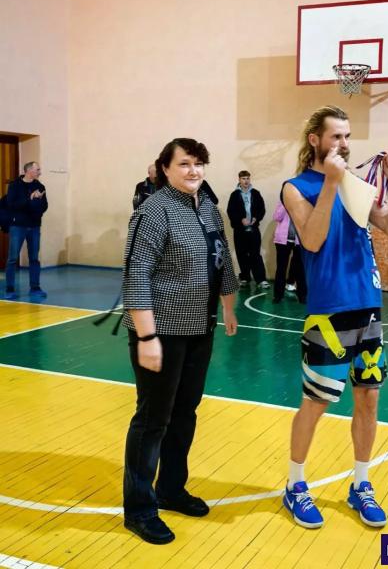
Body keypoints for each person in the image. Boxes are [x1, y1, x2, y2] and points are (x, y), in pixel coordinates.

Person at [281, 105, 388, 529]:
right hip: (328, 312)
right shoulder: (295, 187)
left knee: (369, 399)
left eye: (348, 136)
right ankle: (295, 485)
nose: (344, 143)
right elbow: (312, 241)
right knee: (316, 403)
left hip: (367, 306)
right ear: (315, 140)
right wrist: (332, 183)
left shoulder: (354, 183)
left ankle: (361, 484)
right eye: (336, 136)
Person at [122, 138, 238, 545]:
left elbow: (221, 259)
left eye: (199, 163)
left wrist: (228, 306)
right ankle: (139, 509)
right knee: (153, 419)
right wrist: (146, 336)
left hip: (199, 328)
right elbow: (136, 273)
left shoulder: (208, 208)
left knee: (185, 413)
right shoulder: (154, 210)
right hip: (161, 331)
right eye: (185, 163)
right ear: (165, 169)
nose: (194, 171)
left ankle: (171, 489)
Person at [4, 161, 48, 300]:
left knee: (34, 258)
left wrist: (37, 201)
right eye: (37, 170)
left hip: (34, 226)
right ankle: (10, 288)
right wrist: (29, 199)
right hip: (18, 226)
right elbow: (11, 205)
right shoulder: (15, 185)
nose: (40, 172)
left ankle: (35, 287)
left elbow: (45, 206)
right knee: (12, 258)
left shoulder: (40, 186)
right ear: (29, 171)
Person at [226, 170, 270, 288]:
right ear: (239, 180)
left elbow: (261, 209)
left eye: (247, 178)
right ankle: (245, 278)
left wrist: (256, 218)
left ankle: (261, 279)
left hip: (253, 229)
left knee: (255, 254)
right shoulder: (234, 195)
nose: (246, 181)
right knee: (242, 254)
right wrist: (240, 219)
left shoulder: (256, 193)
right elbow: (231, 211)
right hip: (240, 230)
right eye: (243, 179)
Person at [272, 200, 306, 303]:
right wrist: (285, 204)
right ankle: (278, 296)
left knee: (300, 269)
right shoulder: (282, 202)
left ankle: (302, 296)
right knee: (281, 268)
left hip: (300, 240)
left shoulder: (304, 201)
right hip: (282, 240)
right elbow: (276, 217)